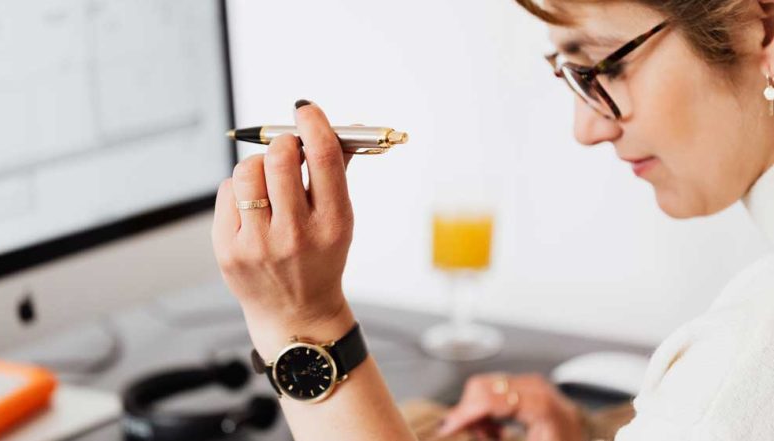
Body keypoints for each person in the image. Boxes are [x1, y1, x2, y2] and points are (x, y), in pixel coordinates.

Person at [210, 0, 774, 439]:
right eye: (569, 75)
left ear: (763, 30)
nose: (586, 129)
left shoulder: (736, 369)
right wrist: (592, 431)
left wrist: (302, 321)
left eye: (603, 66)